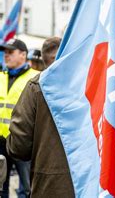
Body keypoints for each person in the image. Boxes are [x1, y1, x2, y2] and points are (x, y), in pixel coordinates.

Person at [6, 37, 74, 197]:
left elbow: (18, 146)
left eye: (11, 52)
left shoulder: (37, 85)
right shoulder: (97, 83)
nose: (6, 56)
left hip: (50, 187)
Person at [0, 39, 39, 198]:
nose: (6, 55)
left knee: (28, 188)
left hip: (23, 141)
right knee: (1, 187)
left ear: (23, 55)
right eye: (5, 52)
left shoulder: (36, 78)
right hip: (0, 142)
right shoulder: (1, 76)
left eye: (11, 52)